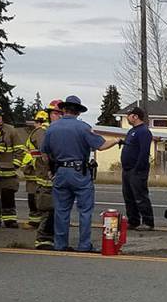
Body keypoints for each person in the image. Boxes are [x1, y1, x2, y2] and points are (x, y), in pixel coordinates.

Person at [41, 95, 119, 252]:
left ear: (63, 110)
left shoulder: (52, 128)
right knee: (84, 211)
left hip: (60, 172)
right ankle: (84, 245)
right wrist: (116, 140)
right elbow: (101, 145)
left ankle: (60, 244)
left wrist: (51, 169)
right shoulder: (83, 127)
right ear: (78, 112)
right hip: (79, 173)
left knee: (61, 210)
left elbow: (44, 154)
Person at [26, 101, 63, 249]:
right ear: (48, 115)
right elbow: (46, 153)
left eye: (61, 113)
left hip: (55, 176)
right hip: (46, 177)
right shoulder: (43, 132)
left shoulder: (55, 130)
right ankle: (43, 240)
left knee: (57, 209)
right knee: (49, 209)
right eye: (55, 113)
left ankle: (53, 238)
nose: (59, 117)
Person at [0, 103, 25, 229]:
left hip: (8, 169)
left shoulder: (11, 130)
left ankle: (10, 219)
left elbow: (20, 149)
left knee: (8, 194)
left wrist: (15, 164)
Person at [120, 107, 155, 231]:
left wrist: (138, 167)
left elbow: (144, 151)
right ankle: (133, 220)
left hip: (137, 170)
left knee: (140, 196)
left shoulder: (143, 131)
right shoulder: (131, 131)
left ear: (135, 116)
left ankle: (148, 221)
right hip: (127, 169)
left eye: (129, 115)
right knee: (128, 196)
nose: (127, 117)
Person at [21, 110, 50, 229]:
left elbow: (43, 149)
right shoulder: (47, 131)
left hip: (37, 169)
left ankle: (35, 222)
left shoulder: (40, 132)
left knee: (35, 195)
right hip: (37, 168)